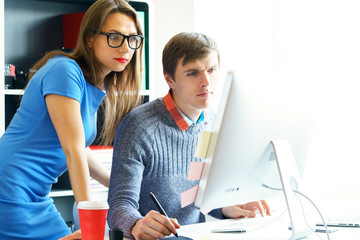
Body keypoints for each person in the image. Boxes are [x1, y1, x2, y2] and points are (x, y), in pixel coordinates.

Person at [0, 0, 144, 239]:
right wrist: (91, 223)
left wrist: (123, 185)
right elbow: (73, 149)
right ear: (89, 38)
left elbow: (82, 150)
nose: (125, 48)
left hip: (35, 195)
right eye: (115, 37)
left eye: (132, 39)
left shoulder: (93, 84)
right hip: (9, 190)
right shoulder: (64, 71)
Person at [107, 32, 271, 240]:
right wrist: (136, 224)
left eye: (211, 70)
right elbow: (119, 207)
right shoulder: (139, 126)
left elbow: (195, 194)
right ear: (169, 79)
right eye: (193, 73)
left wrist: (225, 206)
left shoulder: (214, 121)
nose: (206, 82)